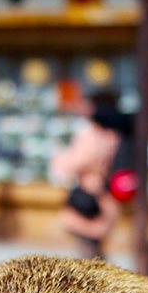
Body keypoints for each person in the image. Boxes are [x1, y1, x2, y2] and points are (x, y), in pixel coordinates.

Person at [50, 92, 126, 259]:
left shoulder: (92, 134)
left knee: (89, 252)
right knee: (96, 250)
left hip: (90, 198)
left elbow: (77, 161)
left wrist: (58, 157)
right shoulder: (116, 134)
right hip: (108, 198)